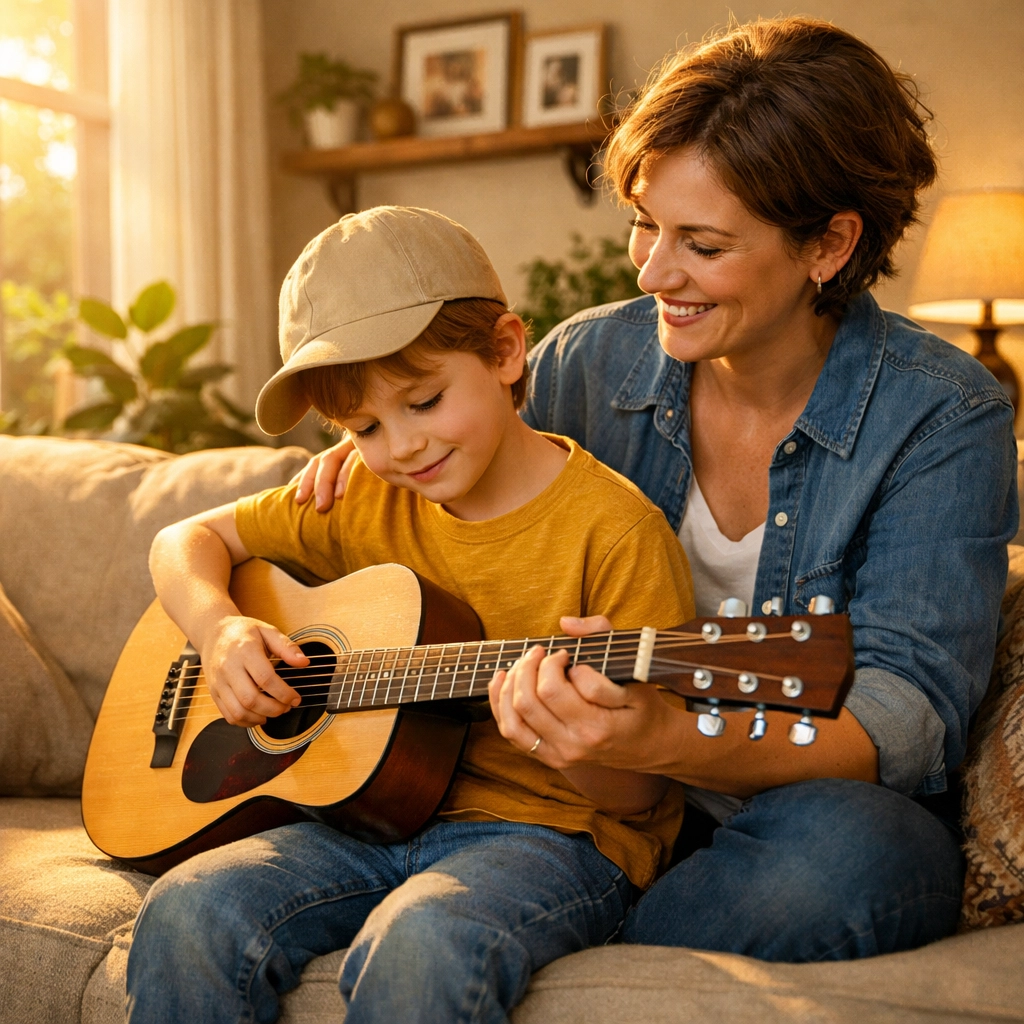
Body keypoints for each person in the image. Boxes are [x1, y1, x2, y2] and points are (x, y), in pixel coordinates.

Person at [295, 18, 1019, 962]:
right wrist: (365, 460)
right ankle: (516, 917)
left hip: (780, 810)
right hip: (572, 810)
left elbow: (902, 716)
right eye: (645, 225)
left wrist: (664, 741)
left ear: (829, 245)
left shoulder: (942, 413)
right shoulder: (585, 360)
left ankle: (560, 933)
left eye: (703, 245)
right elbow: (440, 466)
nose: (652, 272)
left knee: (864, 855)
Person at [125, 206, 695, 1024]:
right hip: (363, 818)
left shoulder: (615, 532)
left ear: (505, 352)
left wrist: (569, 733)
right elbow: (183, 540)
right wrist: (219, 629)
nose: (402, 448)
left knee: (422, 938)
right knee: (187, 909)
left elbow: (639, 794)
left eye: (424, 401)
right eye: (363, 426)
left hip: (554, 835)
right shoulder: (364, 490)